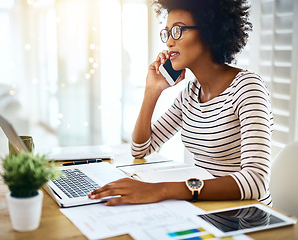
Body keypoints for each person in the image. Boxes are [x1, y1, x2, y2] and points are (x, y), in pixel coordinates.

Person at [89, 0, 273, 206]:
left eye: (177, 31)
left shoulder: (248, 88)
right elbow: (140, 149)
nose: (168, 42)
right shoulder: (191, 92)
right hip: (206, 206)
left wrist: (163, 190)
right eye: (166, 33)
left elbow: (257, 181)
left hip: (248, 215)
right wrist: (152, 91)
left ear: (209, 31)